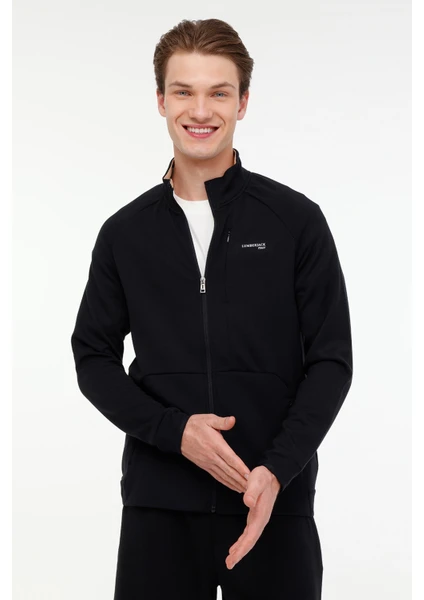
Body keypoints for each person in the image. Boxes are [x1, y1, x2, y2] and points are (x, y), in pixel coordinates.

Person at [70, 18, 353, 600]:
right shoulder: (125, 233)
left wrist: (278, 470)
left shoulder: (295, 221)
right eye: (184, 91)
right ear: (160, 100)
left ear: (243, 102)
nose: (200, 110)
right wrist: (176, 433)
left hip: (271, 501)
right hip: (159, 508)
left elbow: (331, 360)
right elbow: (92, 356)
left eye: (219, 93)